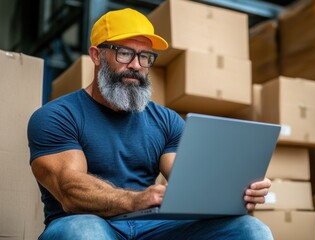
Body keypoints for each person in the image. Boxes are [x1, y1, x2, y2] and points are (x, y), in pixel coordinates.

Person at [27, 8, 273, 240]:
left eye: (145, 56)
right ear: (96, 55)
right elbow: (70, 191)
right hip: (84, 221)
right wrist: (135, 200)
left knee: (250, 229)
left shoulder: (165, 120)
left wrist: (238, 192)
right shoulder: (56, 116)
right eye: (125, 53)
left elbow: (191, 186)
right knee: (84, 231)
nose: (136, 65)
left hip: (151, 226)